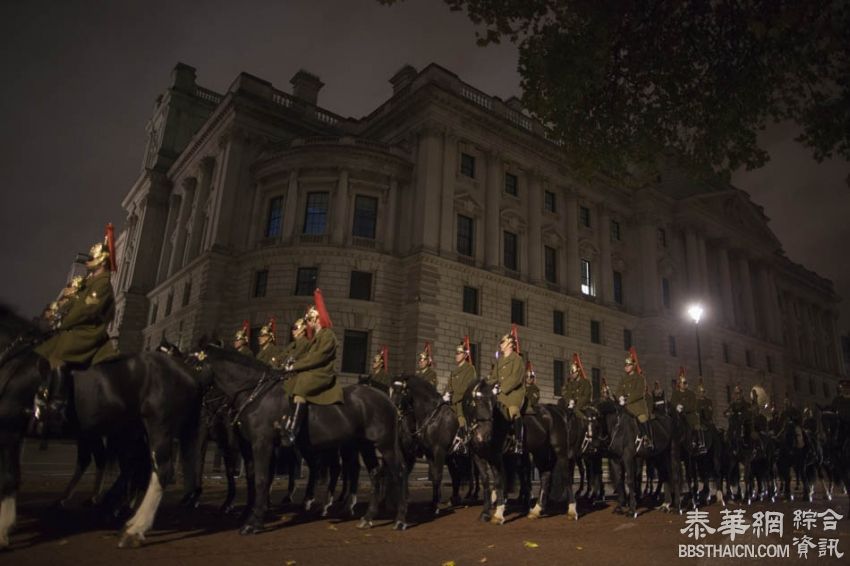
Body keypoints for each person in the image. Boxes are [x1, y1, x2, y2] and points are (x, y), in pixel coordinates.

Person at [34, 225, 119, 427]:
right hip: (78, 327)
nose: (88, 264)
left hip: (89, 331)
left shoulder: (103, 284)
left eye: (91, 261)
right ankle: (45, 391)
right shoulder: (91, 283)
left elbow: (86, 311)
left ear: (100, 263)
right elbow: (73, 303)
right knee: (45, 349)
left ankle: (58, 403)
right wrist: (54, 315)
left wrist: (63, 324)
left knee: (58, 353)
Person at [279, 289, 343, 446]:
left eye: (309, 320)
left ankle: (293, 430)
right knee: (291, 380)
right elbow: (309, 357)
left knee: (302, 383)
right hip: (314, 369)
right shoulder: (317, 336)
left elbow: (318, 357)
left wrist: (296, 366)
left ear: (316, 319)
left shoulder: (328, 335)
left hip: (322, 372)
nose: (307, 324)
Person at [486, 325, 525, 455]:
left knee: (513, 411)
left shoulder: (517, 359)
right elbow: (493, 377)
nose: (500, 344)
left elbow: (515, 378)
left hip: (514, 393)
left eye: (502, 342)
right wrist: (491, 385)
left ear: (509, 344)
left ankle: (519, 442)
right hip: (499, 392)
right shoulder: (499, 361)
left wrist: (501, 388)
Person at [443, 337, 477, 454]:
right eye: (456, 353)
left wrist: (453, 398)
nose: (456, 355)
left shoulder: (470, 369)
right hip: (452, 401)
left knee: (461, 418)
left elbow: (466, 388)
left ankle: (463, 442)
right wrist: (445, 395)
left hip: (463, 402)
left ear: (465, 355)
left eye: (459, 353)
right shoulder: (454, 371)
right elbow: (449, 386)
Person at [618, 347, 652, 450]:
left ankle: (647, 439)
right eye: (625, 365)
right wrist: (620, 397)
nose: (626, 367)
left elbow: (639, 393)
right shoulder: (623, 379)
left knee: (642, 418)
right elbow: (618, 390)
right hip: (625, 406)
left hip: (637, 406)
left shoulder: (640, 378)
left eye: (629, 365)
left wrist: (627, 399)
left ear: (633, 366)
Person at [670, 368, 704, 454]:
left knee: (697, 427)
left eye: (686, 383)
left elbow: (693, 406)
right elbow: (673, 402)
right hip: (679, 416)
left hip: (690, 416)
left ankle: (700, 444)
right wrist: (677, 406)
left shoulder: (691, 394)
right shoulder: (675, 394)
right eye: (683, 383)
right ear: (679, 384)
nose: (685, 384)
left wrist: (683, 408)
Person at [280, 318, 310, 396]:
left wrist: (283, 366)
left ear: (302, 330)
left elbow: (294, 357)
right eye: (293, 329)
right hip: (285, 372)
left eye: (295, 329)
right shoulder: (292, 344)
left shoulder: (305, 343)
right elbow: (282, 355)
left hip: (296, 375)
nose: (293, 331)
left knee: (288, 390)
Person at [561, 353, 592, 420]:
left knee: (576, 410)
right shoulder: (570, 384)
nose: (572, 375)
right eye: (571, 373)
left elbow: (586, 396)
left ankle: (586, 420)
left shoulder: (585, 382)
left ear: (578, 372)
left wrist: (576, 402)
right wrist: (569, 400)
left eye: (573, 373)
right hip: (571, 404)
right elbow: (567, 393)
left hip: (583, 405)